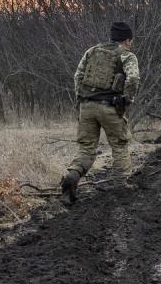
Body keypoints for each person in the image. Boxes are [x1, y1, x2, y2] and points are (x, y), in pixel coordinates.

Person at [60, 22, 140, 205]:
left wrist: (81, 98)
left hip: (87, 106)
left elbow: (77, 76)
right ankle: (120, 187)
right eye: (131, 40)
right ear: (127, 40)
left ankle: (71, 178)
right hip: (109, 106)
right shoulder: (127, 55)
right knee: (120, 145)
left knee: (86, 148)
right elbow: (134, 78)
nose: (131, 44)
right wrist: (126, 99)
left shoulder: (92, 51)